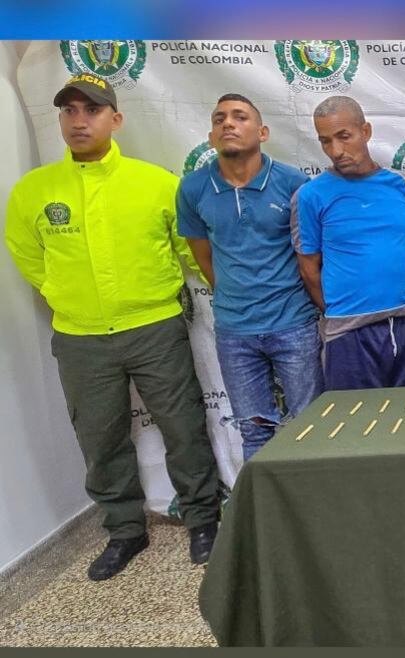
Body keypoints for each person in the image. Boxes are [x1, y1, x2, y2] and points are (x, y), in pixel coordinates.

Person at [4, 74, 221, 579]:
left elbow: (188, 249)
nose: (79, 121)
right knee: (99, 438)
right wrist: (62, 293)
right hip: (80, 338)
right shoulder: (35, 191)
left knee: (183, 427)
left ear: (115, 119)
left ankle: (203, 520)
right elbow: (28, 256)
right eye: (69, 111)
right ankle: (125, 530)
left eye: (92, 111)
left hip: (154, 328)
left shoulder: (156, 184)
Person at [177, 93, 321, 462]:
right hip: (234, 331)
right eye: (219, 118)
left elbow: (309, 252)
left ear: (263, 132)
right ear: (211, 136)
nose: (228, 123)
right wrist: (233, 295)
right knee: (254, 430)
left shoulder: (292, 182)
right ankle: (269, 517)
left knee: (311, 425)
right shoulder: (193, 189)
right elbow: (202, 255)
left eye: (240, 117)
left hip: (294, 324)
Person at [292, 96, 405, 390]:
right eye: (326, 141)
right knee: (356, 426)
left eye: (344, 137)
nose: (337, 150)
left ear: (365, 131)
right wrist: (343, 313)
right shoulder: (310, 196)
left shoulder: (403, 184)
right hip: (348, 334)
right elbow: (309, 269)